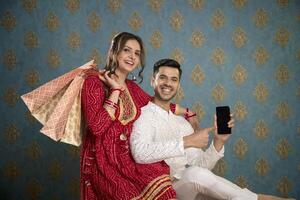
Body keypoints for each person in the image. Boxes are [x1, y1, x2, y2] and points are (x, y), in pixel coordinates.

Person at [130, 58, 295, 200]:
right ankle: (259, 198)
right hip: (161, 191)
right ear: (153, 80)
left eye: (174, 79)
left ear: (178, 85)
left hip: (187, 187)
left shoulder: (182, 123)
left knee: (198, 175)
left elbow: (201, 167)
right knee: (194, 175)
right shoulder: (142, 116)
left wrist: (218, 141)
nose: (168, 83)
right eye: (163, 78)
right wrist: (185, 142)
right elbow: (140, 153)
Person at [80, 32, 197, 199]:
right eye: (127, 50)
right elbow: (96, 128)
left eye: (137, 53)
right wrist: (115, 91)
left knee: (166, 191)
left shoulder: (132, 87)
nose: (132, 57)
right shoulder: (94, 83)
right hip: (103, 163)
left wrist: (186, 112)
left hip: (129, 160)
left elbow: (154, 102)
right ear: (115, 52)